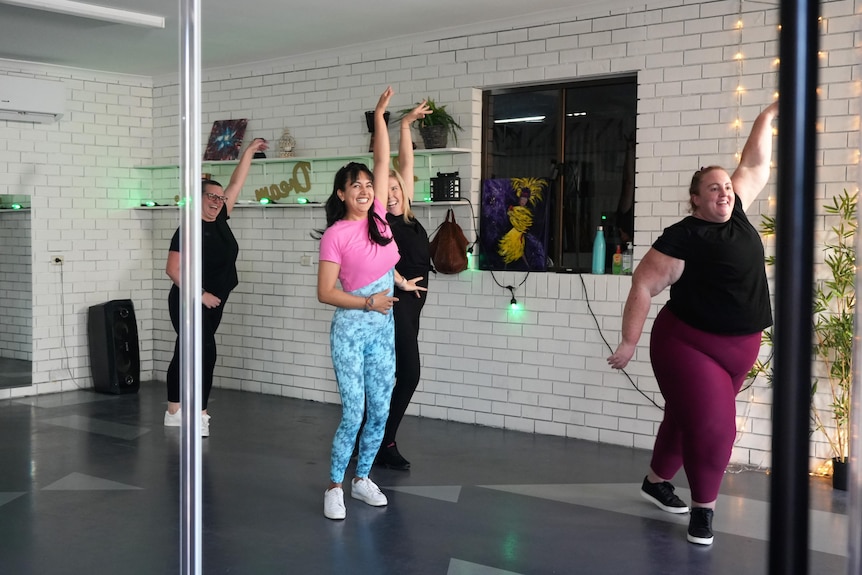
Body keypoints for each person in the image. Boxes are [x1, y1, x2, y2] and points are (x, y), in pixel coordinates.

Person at [607, 100, 779, 546]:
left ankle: (655, 480)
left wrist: (766, 118)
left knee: (685, 417)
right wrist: (628, 342)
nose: (724, 193)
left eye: (726, 186)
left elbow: (756, 162)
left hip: (742, 345)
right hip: (687, 344)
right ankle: (704, 511)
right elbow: (643, 286)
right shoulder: (682, 237)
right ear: (696, 199)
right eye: (713, 189)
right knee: (714, 425)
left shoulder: (737, 213)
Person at [317, 87, 426, 520]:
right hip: (352, 328)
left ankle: (362, 478)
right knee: (355, 411)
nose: (365, 189)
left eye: (367, 185)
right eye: (355, 186)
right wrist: (369, 302)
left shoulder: (381, 219)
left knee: (380, 407)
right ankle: (333, 486)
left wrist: (381, 115)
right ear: (341, 194)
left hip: (382, 328)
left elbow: (385, 161)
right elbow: (325, 293)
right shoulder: (335, 235)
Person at [164, 137, 269, 437]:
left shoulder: (221, 218)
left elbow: (236, 183)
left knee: (183, 352)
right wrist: (200, 294)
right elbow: (173, 269)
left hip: (213, 302)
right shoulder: (187, 228)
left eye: (220, 198)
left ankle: (174, 411)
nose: (217, 201)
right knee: (206, 353)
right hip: (188, 301)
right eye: (211, 196)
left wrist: (248, 151)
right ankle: (200, 414)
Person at [374, 99, 433, 470]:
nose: (394, 194)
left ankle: (379, 439)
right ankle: (383, 441)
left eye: (398, 187)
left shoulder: (407, 214)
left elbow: (404, 162)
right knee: (407, 374)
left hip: (412, 306)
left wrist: (408, 124)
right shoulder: (381, 219)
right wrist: (400, 283)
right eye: (389, 188)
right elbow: (380, 261)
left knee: (395, 376)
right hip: (395, 303)